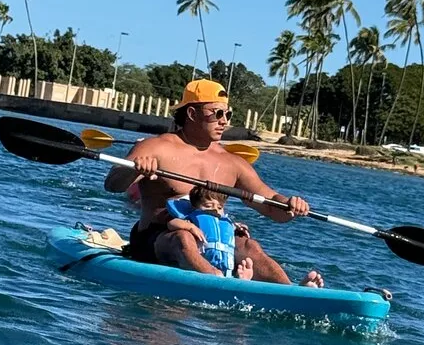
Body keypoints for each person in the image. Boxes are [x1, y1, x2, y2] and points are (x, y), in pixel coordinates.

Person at [104, 79, 323, 288]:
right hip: (156, 240)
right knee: (183, 238)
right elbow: (113, 184)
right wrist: (133, 169)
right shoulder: (156, 147)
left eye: (228, 114)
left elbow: (271, 205)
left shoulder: (232, 162)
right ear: (192, 113)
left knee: (249, 246)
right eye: (217, 113)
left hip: (210, 241)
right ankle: (218, 282)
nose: (224, 121)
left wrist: (289, 205)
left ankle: (293, 292)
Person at [166, 185, 254, 280]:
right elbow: (171, 223)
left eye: (219, 207)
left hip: (225, 266)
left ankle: (239, 277)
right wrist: (190, 227)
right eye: (208, 206)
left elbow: (226, 231)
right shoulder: (191, 220)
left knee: (229, 271)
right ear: (194, 207)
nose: (215, 209)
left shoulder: (226, 222)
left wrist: (238, 228)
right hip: (201, 263)